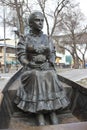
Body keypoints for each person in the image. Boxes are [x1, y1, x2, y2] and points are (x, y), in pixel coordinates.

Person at [14, 11, 69, 126]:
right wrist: (29, 64)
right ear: (31, 23)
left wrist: (49, 63)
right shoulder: (25, 38)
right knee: (36, 75)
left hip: (46, 67)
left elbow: (52, 54)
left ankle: (52, 110)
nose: (40, 23)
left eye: (42, 20)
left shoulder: (47, 38)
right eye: (37, 20)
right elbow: (21, 55)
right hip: (30, 69)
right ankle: (39, 113)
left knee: (51, 74)